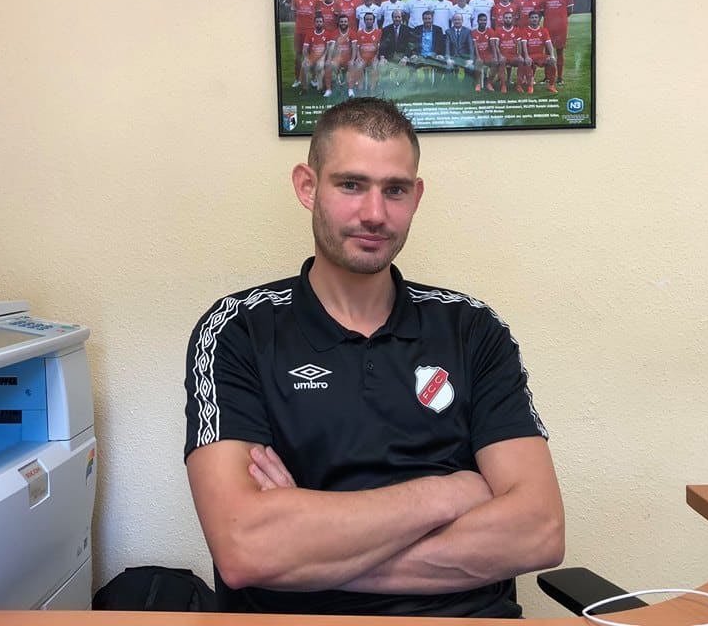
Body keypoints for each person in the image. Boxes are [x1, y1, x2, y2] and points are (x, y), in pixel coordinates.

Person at [184, 97, 565, 617]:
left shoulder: (473, 329)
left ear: (417, 196)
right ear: (307, 186)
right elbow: (247, 549)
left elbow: (538, 531)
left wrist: (310, 556)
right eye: (350, 184)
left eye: (395, 190)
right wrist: (448, 495)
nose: (374, 214)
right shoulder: (238, 330)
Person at [540, 0, 574, 85]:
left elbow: (569, 11)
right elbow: (543, 12)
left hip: (561, 28)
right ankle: (547, 77)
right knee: (548, 52)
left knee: (559, 51)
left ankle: (559, 77)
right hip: (548, 28)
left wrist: (560, 19)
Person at [520, 10, 558, 94]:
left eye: (536, 17)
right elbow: (524, 45)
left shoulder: (544, 30)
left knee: (552, 62)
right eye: (532, 18)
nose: (534, 19)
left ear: (539, 19)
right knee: (528, 62)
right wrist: (526, 56)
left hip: (540, 55)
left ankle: (551, 85)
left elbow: (549, 44)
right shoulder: (525, 30)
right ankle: (530, 86)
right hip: (530, 55)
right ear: (529, 19)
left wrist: (552, 55)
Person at [290, 0, 318, 88]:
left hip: (311, 32)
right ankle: (297, 79)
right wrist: (299, 25)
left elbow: (317, 16)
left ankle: (314, 78)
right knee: (298, 56)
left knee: (312, 55)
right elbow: (293, 15)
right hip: (299, 31)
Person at [378, 8, 415, 87]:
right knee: (381, 66)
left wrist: (405, 57)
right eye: (395, 17)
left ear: (402, 18)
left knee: (405, 69)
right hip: (389, 56)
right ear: (392, 18)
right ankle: (386, 85)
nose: (397, 19)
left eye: (399, 17)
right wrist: (382, 57)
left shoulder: (407, 30)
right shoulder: (386, 29)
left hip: (402, 56)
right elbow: (382, 45)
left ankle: (399, 85)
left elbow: (410, 45)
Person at [301, 13, 333, 95]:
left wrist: (323, 58)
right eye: (317, 21)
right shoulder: (310, 33)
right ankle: (304, 88)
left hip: (322, 56)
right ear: (314, 23)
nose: (319, 23)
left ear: (323, 23)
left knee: (320, 66)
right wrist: (306, 58)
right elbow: (305, 49)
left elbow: (328, 48)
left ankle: (320, 87)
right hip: (312, 57)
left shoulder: (327, 34)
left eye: (320, 21)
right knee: (304, 65)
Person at [493, 10, 525, 93]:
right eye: (506, 18)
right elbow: (496, 45)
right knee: (502, 60)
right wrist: (499, 55)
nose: (508, 19)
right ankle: (503, 85)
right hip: (503, 55)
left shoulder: (517, 30)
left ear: (513, 19)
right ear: (503, 19)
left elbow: (519, 44)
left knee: (521, 61)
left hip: (513, 55)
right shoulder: (498, 30)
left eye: (509, 18)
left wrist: (519, 55)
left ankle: (519, 85)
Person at [409, 9, 447, 77]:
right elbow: (412, 43)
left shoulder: (438, 29)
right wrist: (414, 54)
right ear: (422, 19)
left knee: (440, 68)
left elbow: (442, 44)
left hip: (433, 56)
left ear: (432, 19)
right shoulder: (417, 29)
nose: (427, 20)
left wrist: (440, 54)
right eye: (425, 19)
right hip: (420, 56)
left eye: (429, 18)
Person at [326, 13, 356, 98]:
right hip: (338, 59)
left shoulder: (352, 33)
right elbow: (331, 47)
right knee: (328, 65)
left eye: (345, 21)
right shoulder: (334, 33)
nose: (343, 23)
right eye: (341, 21)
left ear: (348, 22)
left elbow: (354, 48)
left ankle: (350, 89)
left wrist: (353, 59)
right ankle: (328, 90)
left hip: (348, 59)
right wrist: (329, 59)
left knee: (351, 65)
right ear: (339, 23)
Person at [351, 11, 382, 94]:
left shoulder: (378, 32)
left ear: (374, 21)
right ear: (364, 21)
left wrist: (376, 57)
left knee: (375, 66)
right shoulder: (360, 33)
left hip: (373, 58)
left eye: (370, 19)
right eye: (367, 19)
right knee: (359, 65)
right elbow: (358, 47)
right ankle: (361, 89)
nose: (369, 21)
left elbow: (379, 47)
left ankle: (372, 89)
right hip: (363, 58)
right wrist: (358, 57)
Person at [471, 12, 500, 92]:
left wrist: (495, 57)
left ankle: (489, 83)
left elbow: (493, 45)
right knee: (478, 62)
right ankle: (477, 84)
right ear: (477, 21)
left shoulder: (490, 31)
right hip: (478, 55)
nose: (483, 22)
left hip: (488, 55)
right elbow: (475, 46)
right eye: (481, 20)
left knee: (495, 62)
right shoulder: (473, 32)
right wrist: (478, 57)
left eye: (484, 20)